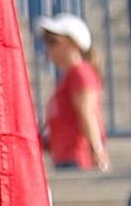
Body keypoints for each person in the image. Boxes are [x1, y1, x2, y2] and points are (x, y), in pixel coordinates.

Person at [38, 15, 110, 169]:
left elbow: (87, 113)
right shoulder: (69, 77)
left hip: (78, 159)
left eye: (53, 41)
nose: (48, 48)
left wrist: (96, 150)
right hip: (66, 158)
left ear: (73, 43)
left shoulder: (80, 72)